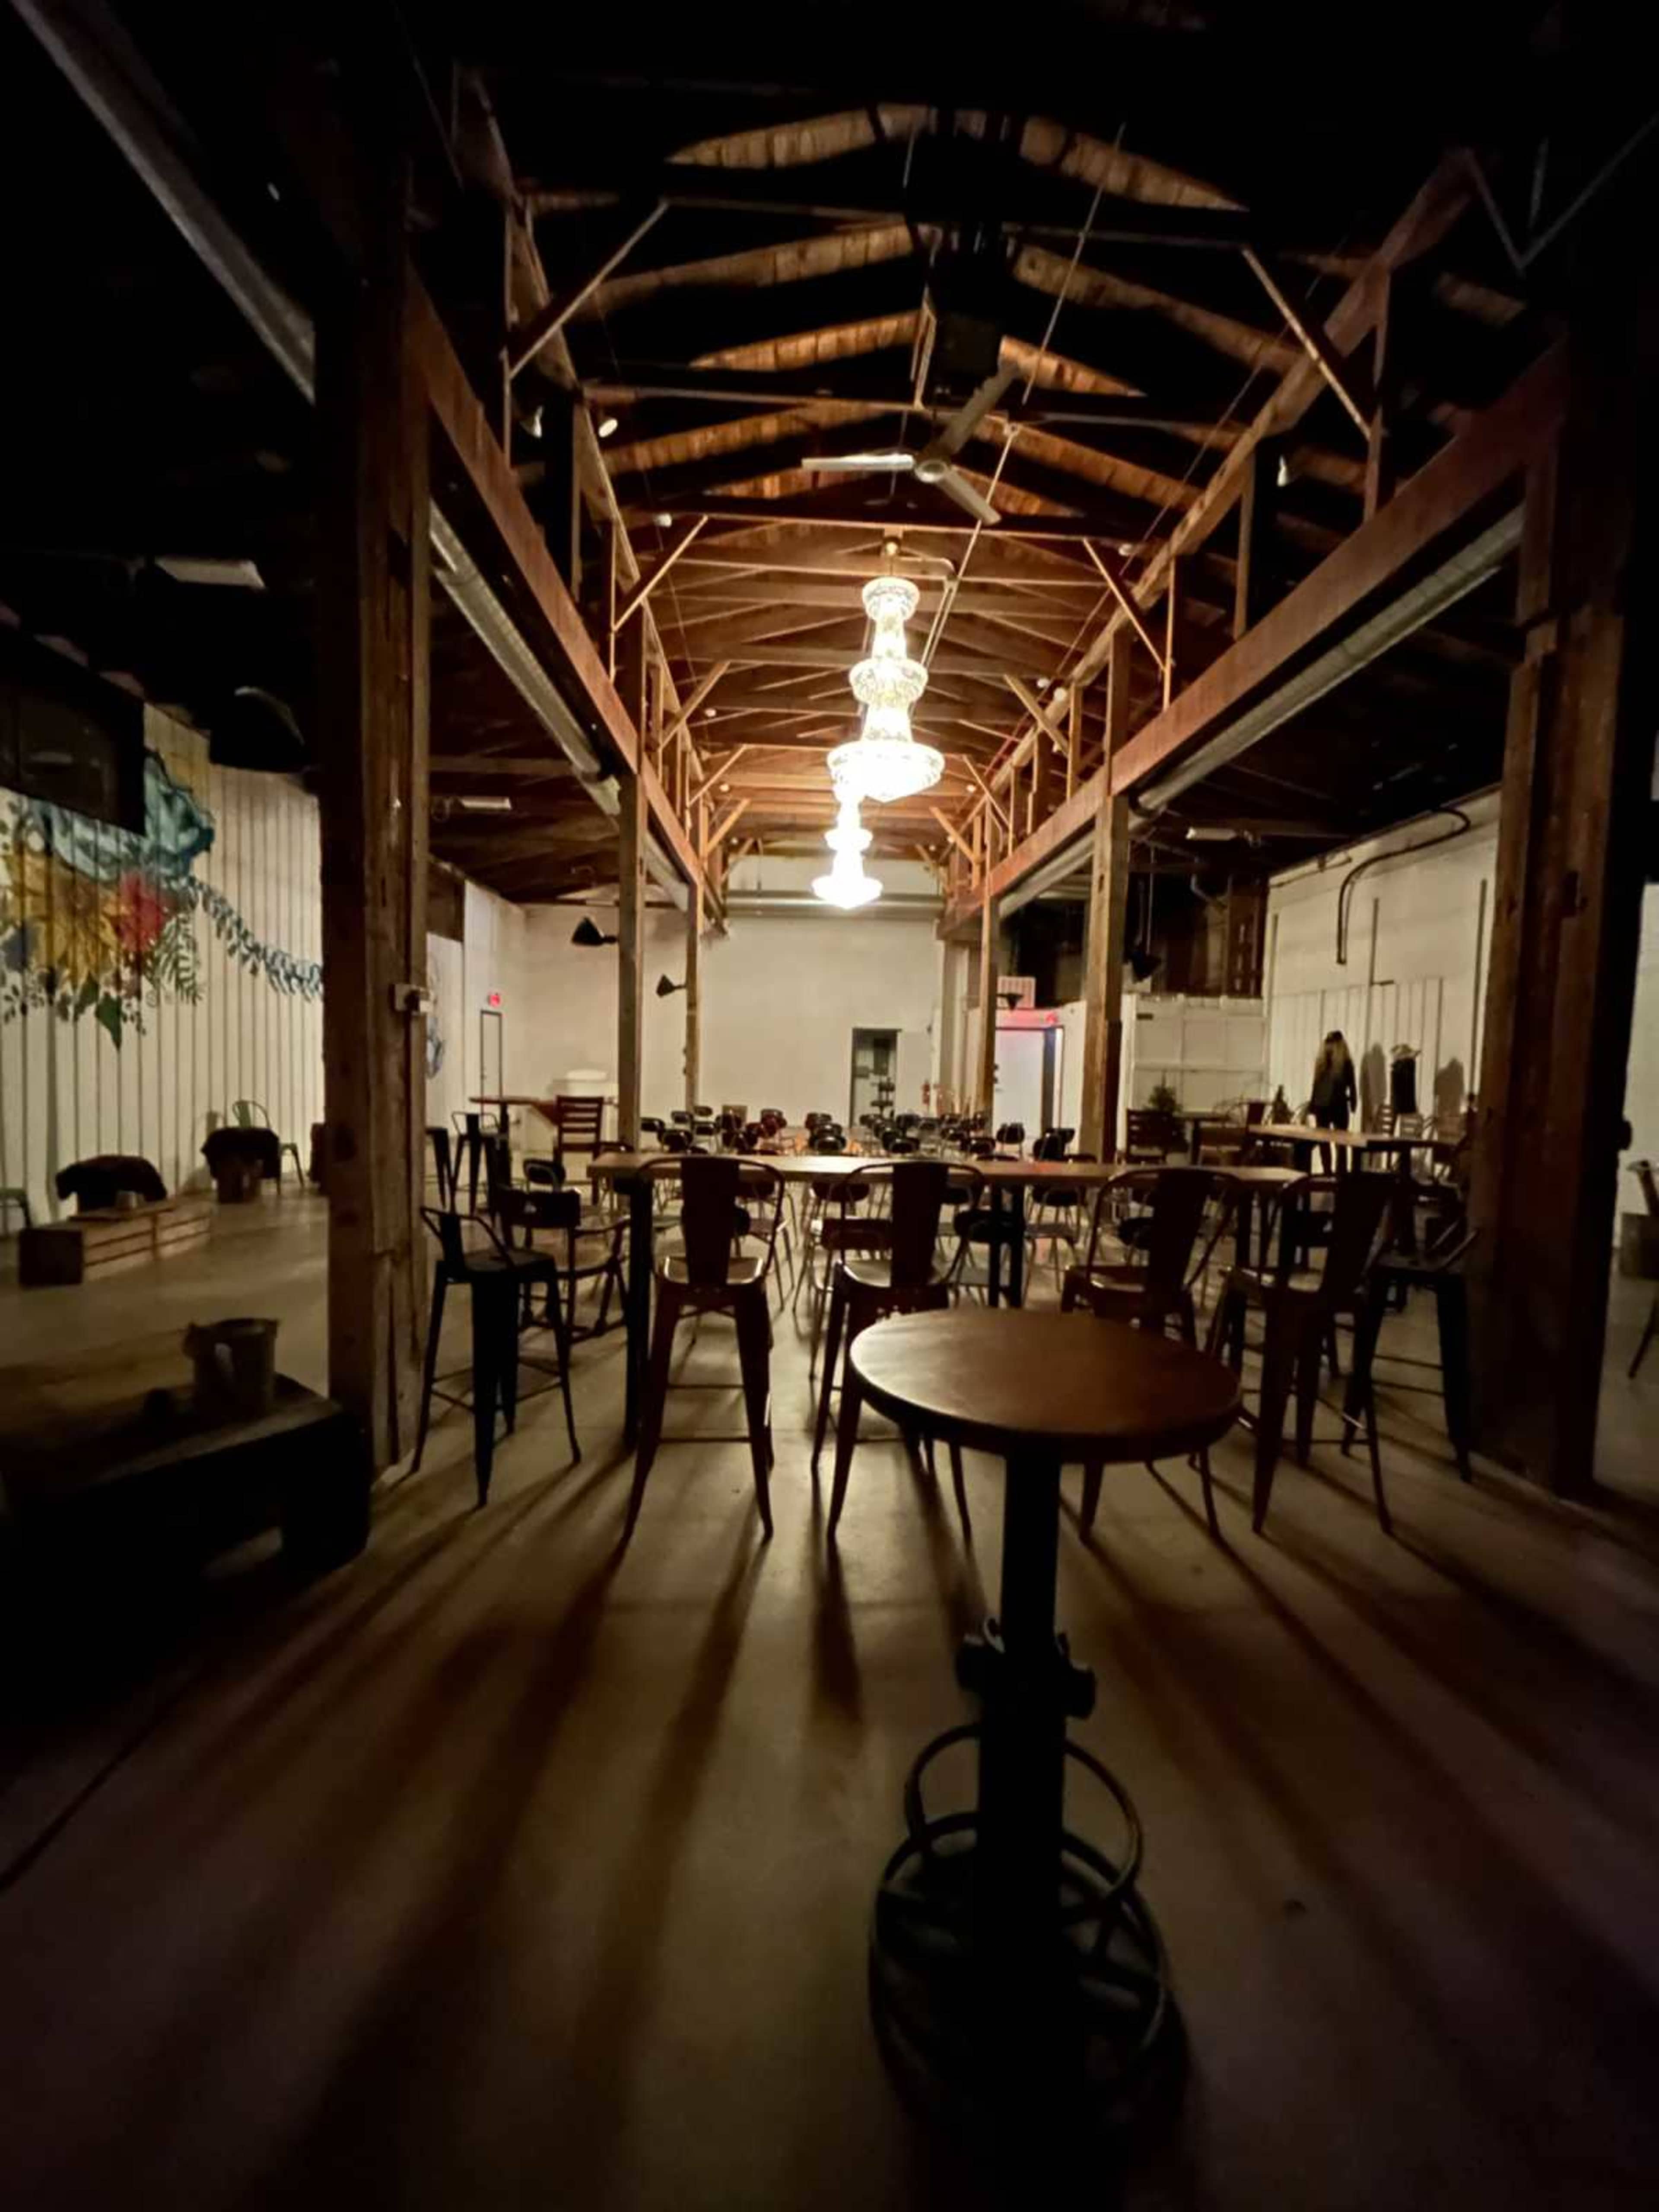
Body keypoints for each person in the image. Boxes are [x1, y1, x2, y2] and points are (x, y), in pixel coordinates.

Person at [1308, 1031, 1357, 1170]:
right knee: (1324, 1141)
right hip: (1323, 1105)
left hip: (1338, 1105)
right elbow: (1316, 1084)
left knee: (1341, 1142)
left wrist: (1354, 1102)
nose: (1330, 1047)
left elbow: (1352, 1085)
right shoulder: (1322, 1063)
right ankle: (1327, 1171)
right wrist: (1312, 1104)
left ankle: (1340, 1173)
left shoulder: (1345, 1064)